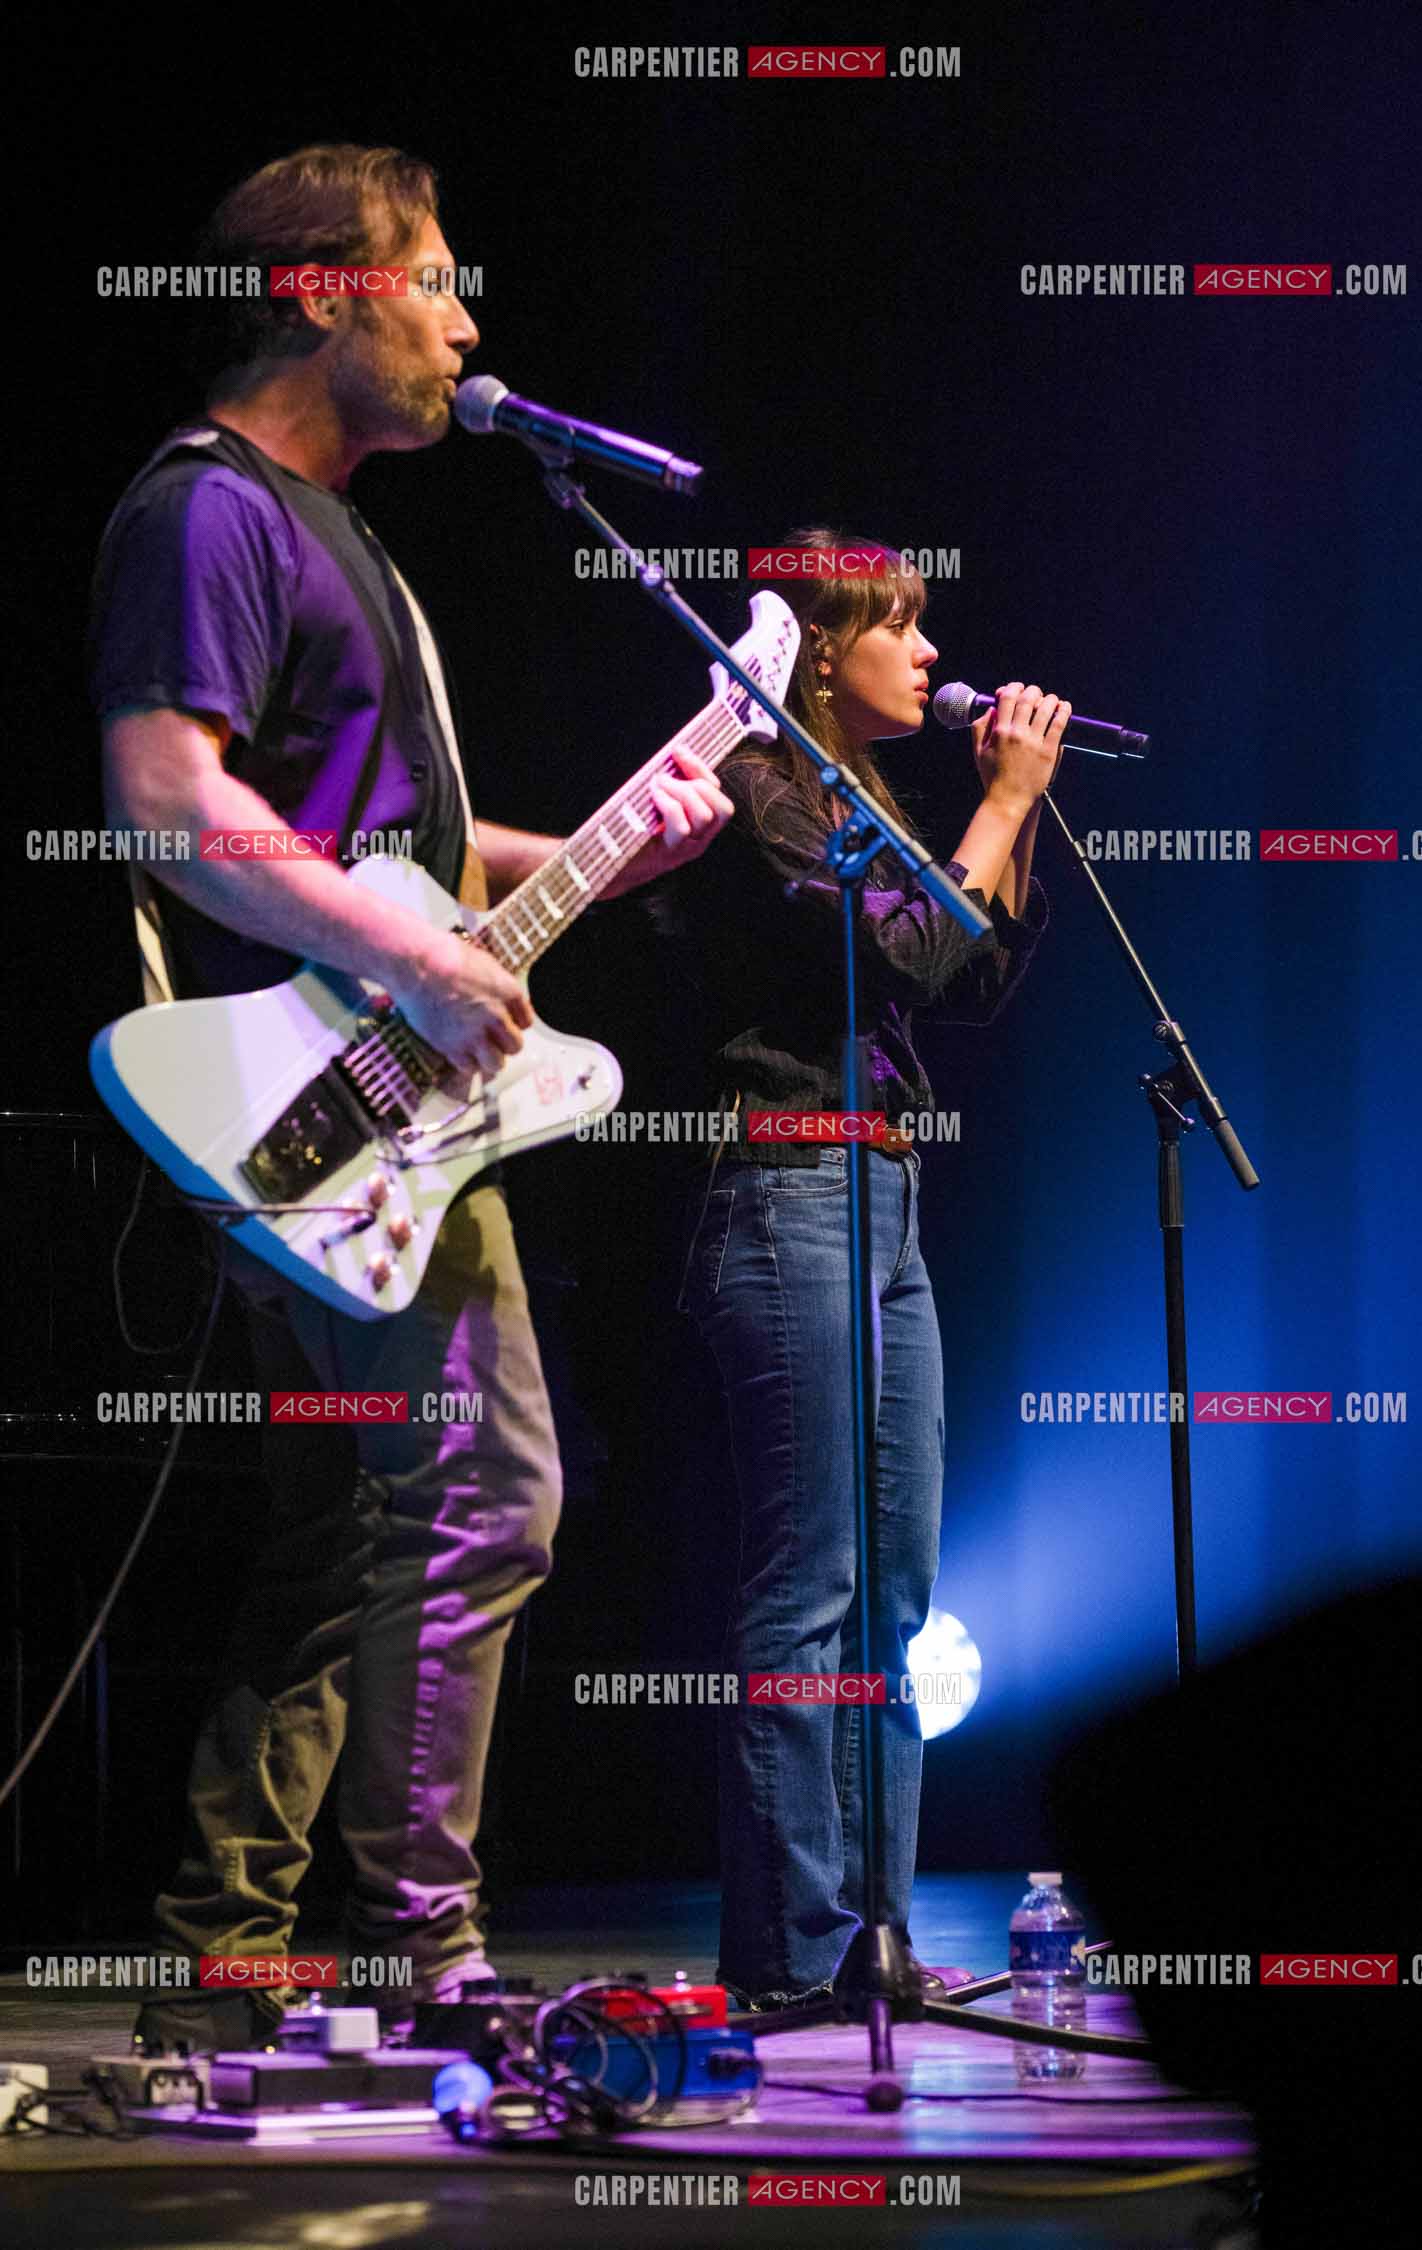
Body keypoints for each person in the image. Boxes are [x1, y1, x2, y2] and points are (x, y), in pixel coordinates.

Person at [87, 143, 732, 2048]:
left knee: (345, 1528)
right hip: (318, 1099)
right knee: (481, 1488)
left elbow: (408, 860)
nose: (466, 325)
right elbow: (171, 801)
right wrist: (422, 962)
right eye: (432, 281)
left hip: (379, 1092)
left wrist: (615, 853)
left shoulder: (347, 533)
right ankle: (422, 1951)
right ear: (318, 293)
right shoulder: (209, 512)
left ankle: (231, 1955)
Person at [665, 532, 1066, 2010]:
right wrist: (1002, 802)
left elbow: (964, 980)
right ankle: (794, 1948)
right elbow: (895, 959)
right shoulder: (760, 788)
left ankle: (876, 1936)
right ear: (822, 650)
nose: (927, 650)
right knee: (812, 1580)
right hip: (783, 1186)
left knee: (896, 1588)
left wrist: (1012, 820)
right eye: (899, 625)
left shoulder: (872, 796)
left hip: (884, 1195)